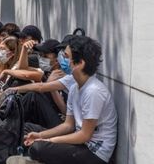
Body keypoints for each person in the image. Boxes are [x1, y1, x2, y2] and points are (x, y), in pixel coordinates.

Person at [7, 36, 118, 164]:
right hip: (80, 144)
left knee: (38, 148)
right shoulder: (75, 87)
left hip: (94, 154)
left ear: (80, 63)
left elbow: (84, 135)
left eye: (66, 56)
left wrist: (50, 141)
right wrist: (40, 136)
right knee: (27, 130)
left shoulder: (93, 91)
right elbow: (68, 125)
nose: (61, 60)